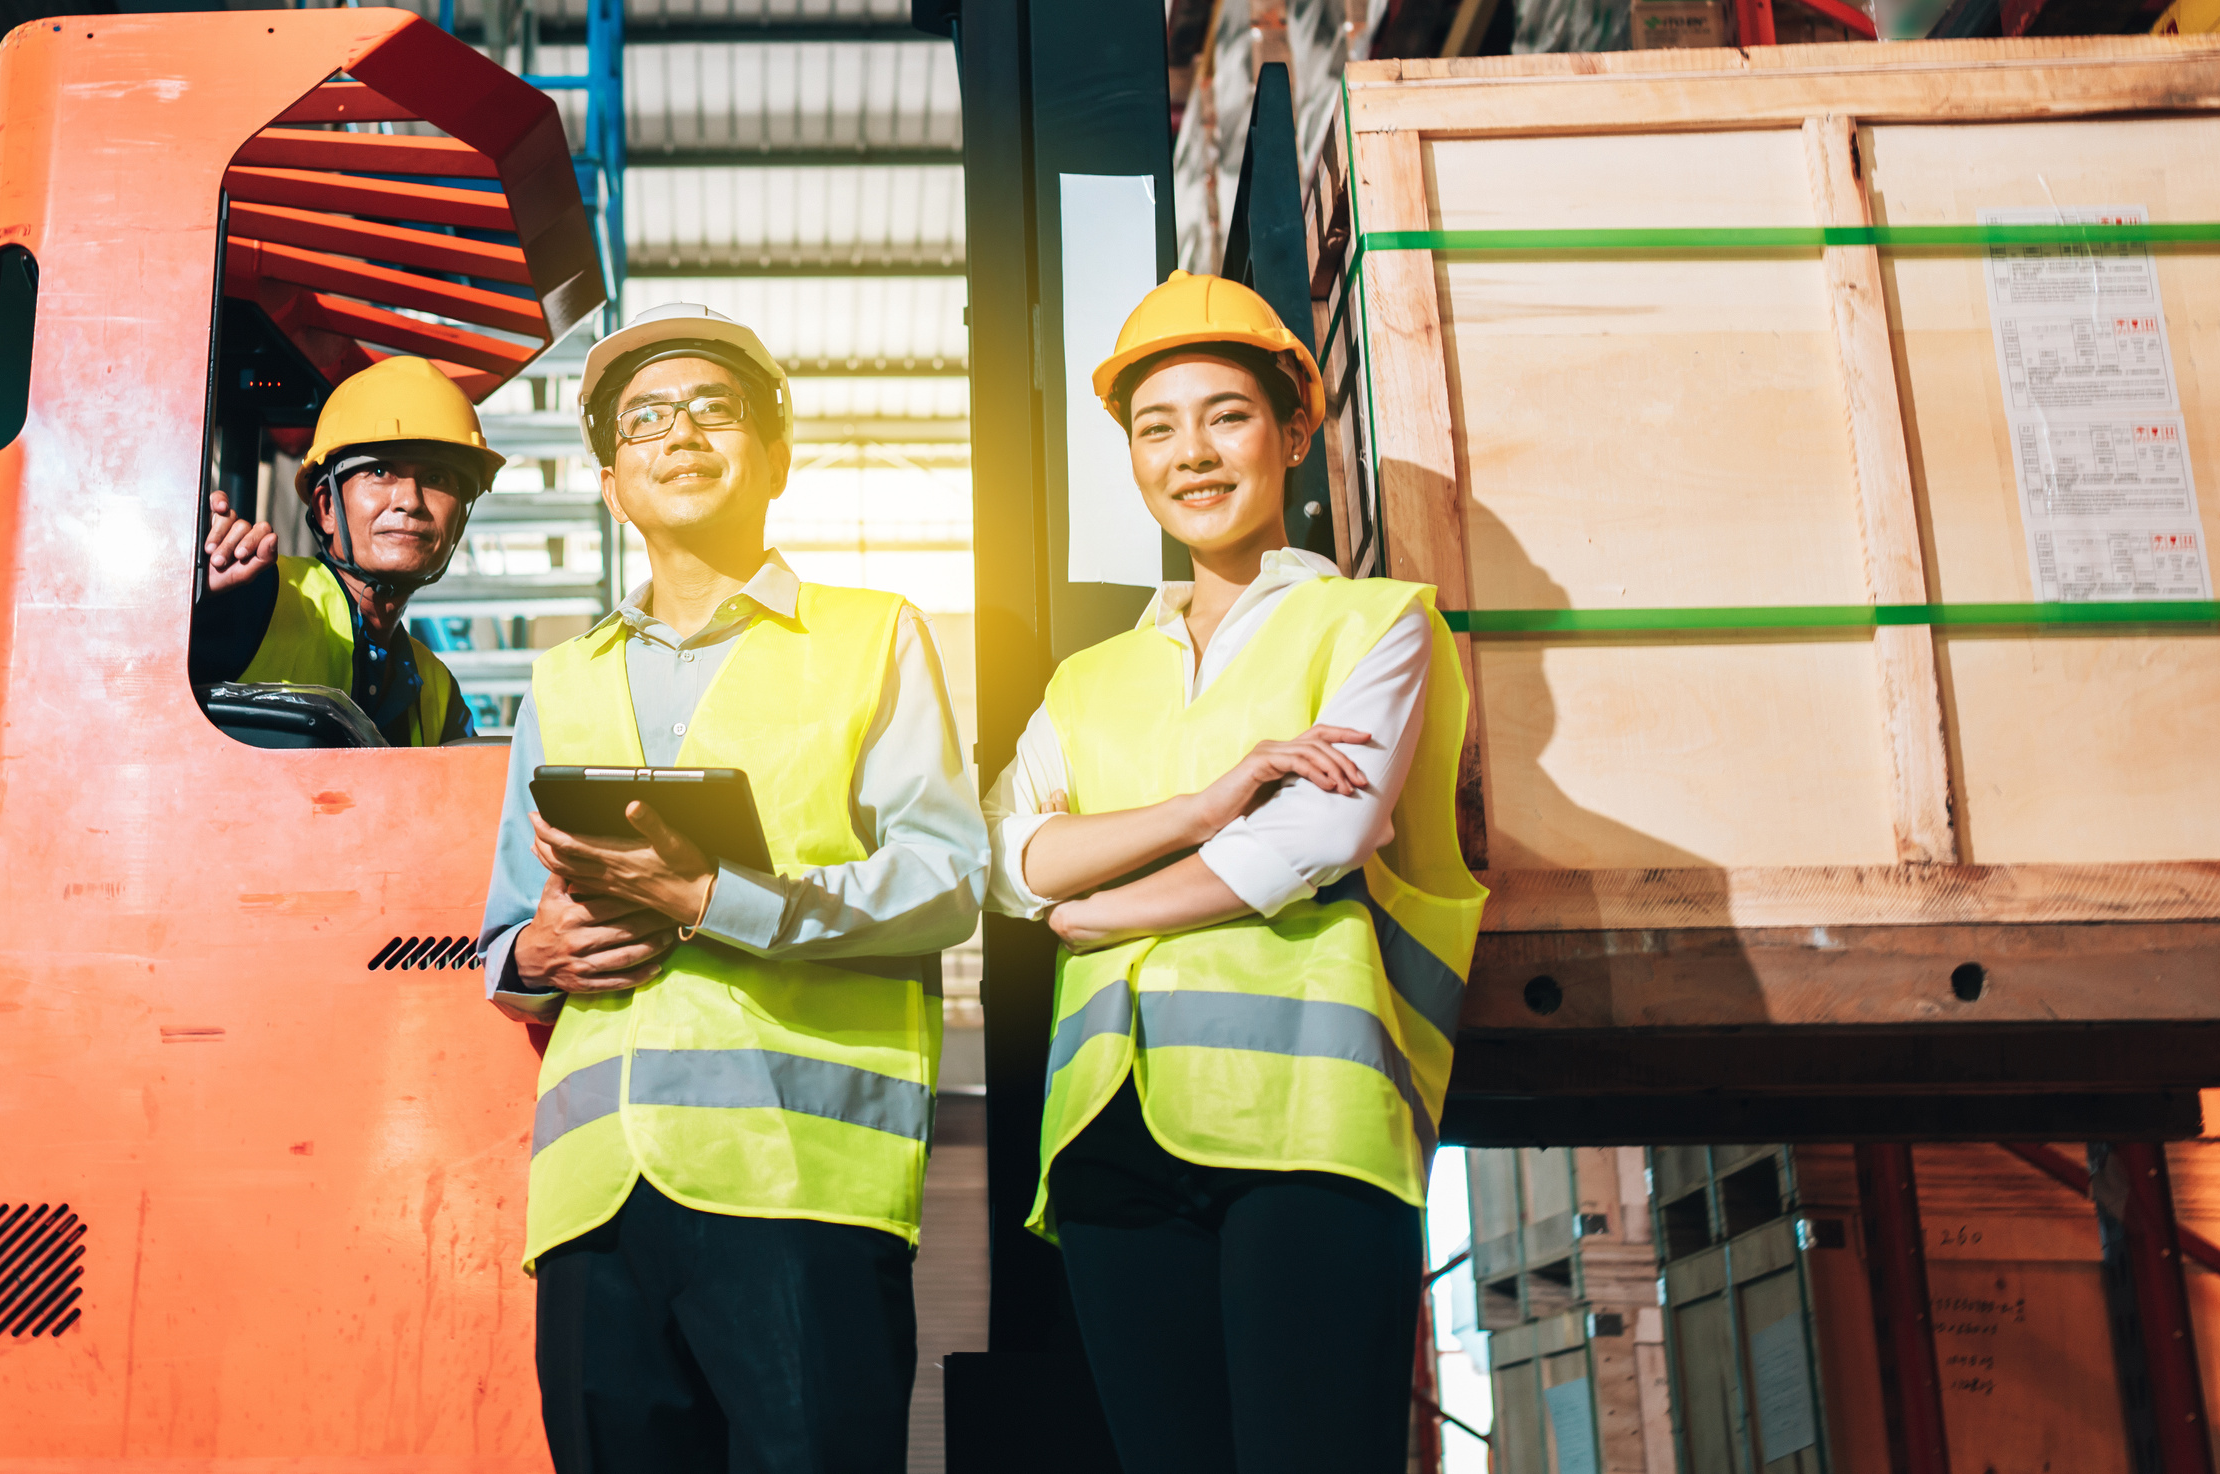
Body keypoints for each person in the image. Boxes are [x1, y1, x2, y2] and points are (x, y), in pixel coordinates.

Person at [981, 271, 1479, 1472]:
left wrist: (1096, 912)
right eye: (1156, 428)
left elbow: (1314, 837)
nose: (1190, 453)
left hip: (1306, 1128)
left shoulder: (1375, 622)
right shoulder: (1086, 680)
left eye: (1226, 415)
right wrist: (1203, 805)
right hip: (1108, 1134)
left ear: (1295, 432)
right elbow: (1007, 856)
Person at [476, 302, 986, 1474]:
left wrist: (718, 899)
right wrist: (532, 958)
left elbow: (946, 876)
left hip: (796, 1180)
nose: (680, 433)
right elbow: (504, 926)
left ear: (776, 458)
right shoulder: (559, 679)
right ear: (612, 481)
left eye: (715, 409)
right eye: (645, 418)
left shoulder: (871, 637)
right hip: (597, 1200)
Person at [191, 353, 501, 746]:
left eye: (437, 476)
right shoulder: (258, 597)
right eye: (380, 471)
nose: (410, 500)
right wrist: (196, 594)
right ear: (326, 508)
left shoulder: (437, 692)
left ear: (458, 521)